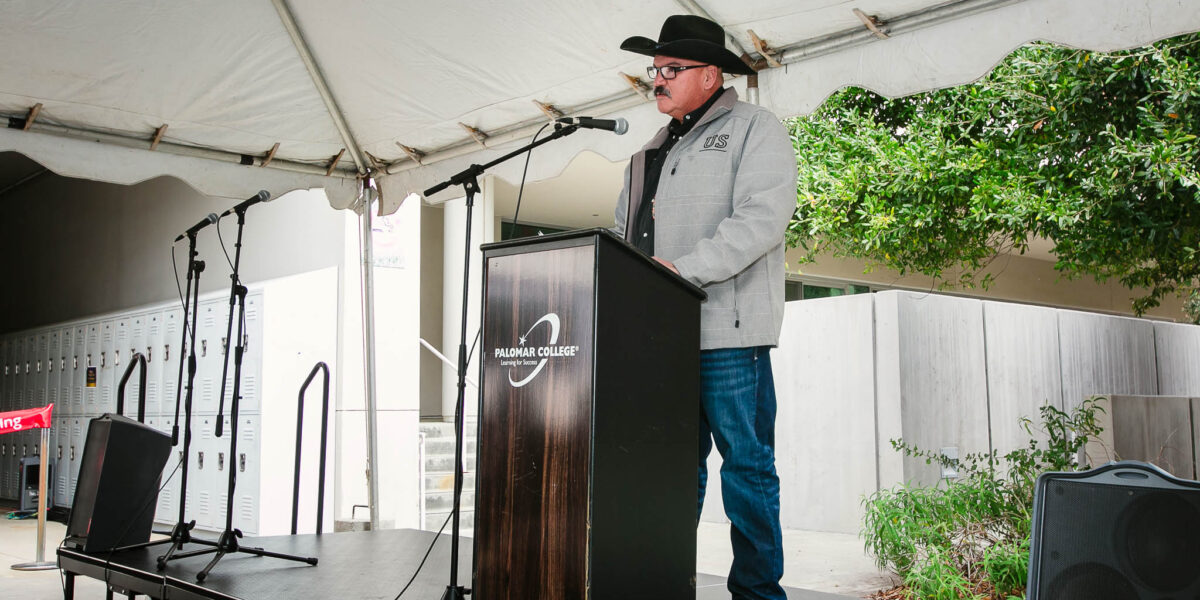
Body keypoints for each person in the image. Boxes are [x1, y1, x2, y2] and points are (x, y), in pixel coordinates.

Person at [613, 14, 798, 600]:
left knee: (746, 471)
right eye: (655, 69)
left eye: (672, 69)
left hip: (728, 335)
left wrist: (679, 272)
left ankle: (758, 594)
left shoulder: (754, 129)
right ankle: (667, 586)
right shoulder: (645, 156)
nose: (658, 79)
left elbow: (762, 220)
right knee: (668, 474)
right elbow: (623, 238)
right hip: (660, 342)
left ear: (711, 74)